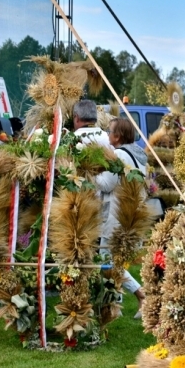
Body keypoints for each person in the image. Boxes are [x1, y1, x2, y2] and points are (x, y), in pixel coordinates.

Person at [73, 100, 146, 318]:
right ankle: (115, 305)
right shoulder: (139, 155)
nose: (108, 135)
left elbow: (106, 184)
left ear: (118, 136)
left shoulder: (121, 155)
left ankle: (142, 294)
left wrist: (88, 171)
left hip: (116, 212)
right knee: (114, 259)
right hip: (130, 212)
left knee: (107, 260)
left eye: (110, 132)